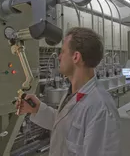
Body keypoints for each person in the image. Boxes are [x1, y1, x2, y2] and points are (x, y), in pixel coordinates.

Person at [17, 27, 121, 156]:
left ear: (76, 57)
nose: (59, 57)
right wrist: (38, 109)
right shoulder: (74, 93)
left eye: (63, 52)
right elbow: (66, 124)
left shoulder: (100, 108)